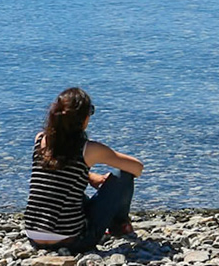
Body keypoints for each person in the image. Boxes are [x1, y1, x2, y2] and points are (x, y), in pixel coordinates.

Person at [24, 87, 144, 253]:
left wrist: (89, 176)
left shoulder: (41, 140)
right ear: (84, 118)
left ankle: (117, 225)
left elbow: (59, 173)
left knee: (59, 190)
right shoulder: (89, 149)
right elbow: (137, 167)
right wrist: (109, 182)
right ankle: (118, 225)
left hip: (33, 237)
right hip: (73, 241)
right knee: (122, 174)